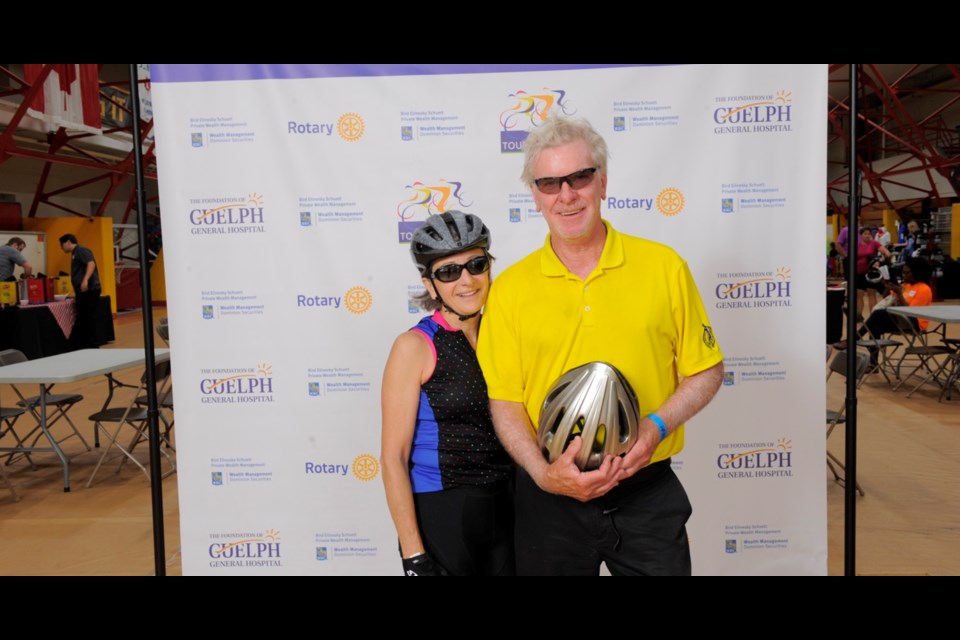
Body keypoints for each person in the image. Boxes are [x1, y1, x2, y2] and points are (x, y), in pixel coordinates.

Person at [477, 117, 724, 576]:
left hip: (645, 492)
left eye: (579, 177)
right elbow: (505, 400)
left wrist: (655, 426)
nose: (565, 195)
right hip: (548, 498)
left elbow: (706, 369)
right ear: (534, 194)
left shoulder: (663, 267)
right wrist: (542, 472)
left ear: (603, 182)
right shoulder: (510, 289)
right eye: (549, 183)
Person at [380, 211, 514, 576]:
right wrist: (414, 556)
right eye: (449, 272)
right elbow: (393, 457)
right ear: (429, 282)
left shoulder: (503, 335)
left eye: (475, 264)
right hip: (444, 513)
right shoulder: (415, 346)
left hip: (509, 506)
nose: (466, 280)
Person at [836, 257, 934, 365]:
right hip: (899, 320)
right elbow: (886, 298)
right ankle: (873, 363)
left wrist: (900, 294)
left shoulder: (924, 289)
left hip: (914, 323)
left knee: (879, 313)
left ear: (917, 273)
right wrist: (887, 288)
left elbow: (910, 312)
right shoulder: (905, 285)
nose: (903, 275)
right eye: (902, 272)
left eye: (906, 273)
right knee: (874, 327)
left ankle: (853, 339)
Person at [59, 234, 101, 349]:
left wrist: (85, 280)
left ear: (67, 242)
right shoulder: (75, 253)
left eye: (61, 245)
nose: (61, 248)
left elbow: (91, 263)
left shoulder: (81, 250)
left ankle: (93, 344)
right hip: (82, 290)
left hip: (90, 289)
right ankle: (85, 342)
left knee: (89, 316)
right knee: (84, 316)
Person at [854, 227, 892, 320]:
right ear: (861, 235)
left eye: (869, 234)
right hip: (859, 272)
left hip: (872, 273)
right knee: (859, 295)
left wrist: (880, 261)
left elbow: (887, 253)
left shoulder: (874, 243)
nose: (867, 235)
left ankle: (873, 317)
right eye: (865, 234)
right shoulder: (857, 245)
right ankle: (858, 317)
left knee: (871, 294)